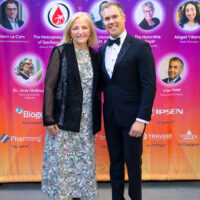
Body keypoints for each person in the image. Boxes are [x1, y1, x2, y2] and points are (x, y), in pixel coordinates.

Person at [98, 2, 156, 200]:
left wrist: (142, 119)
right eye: (107, 18)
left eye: (114, 16)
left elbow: (149, 86)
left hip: (133, 119)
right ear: (103, 22)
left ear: (123, 17)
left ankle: (135, 198)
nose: (111, 21)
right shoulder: (101, 50)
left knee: (133, 164)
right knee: (115, 163)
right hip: (111, 117)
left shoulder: (140, 47)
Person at [41, 12, 101, 200]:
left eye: (84, 27)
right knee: (64, 163)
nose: (80, 31)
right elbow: (49, 86)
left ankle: (80, 195)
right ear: (70, 31)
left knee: (83, 162)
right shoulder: (60, 51)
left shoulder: (95, 55)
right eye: (75, 28)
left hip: (87, 120)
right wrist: (49, 118)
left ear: (90, 31)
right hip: (63, 119)